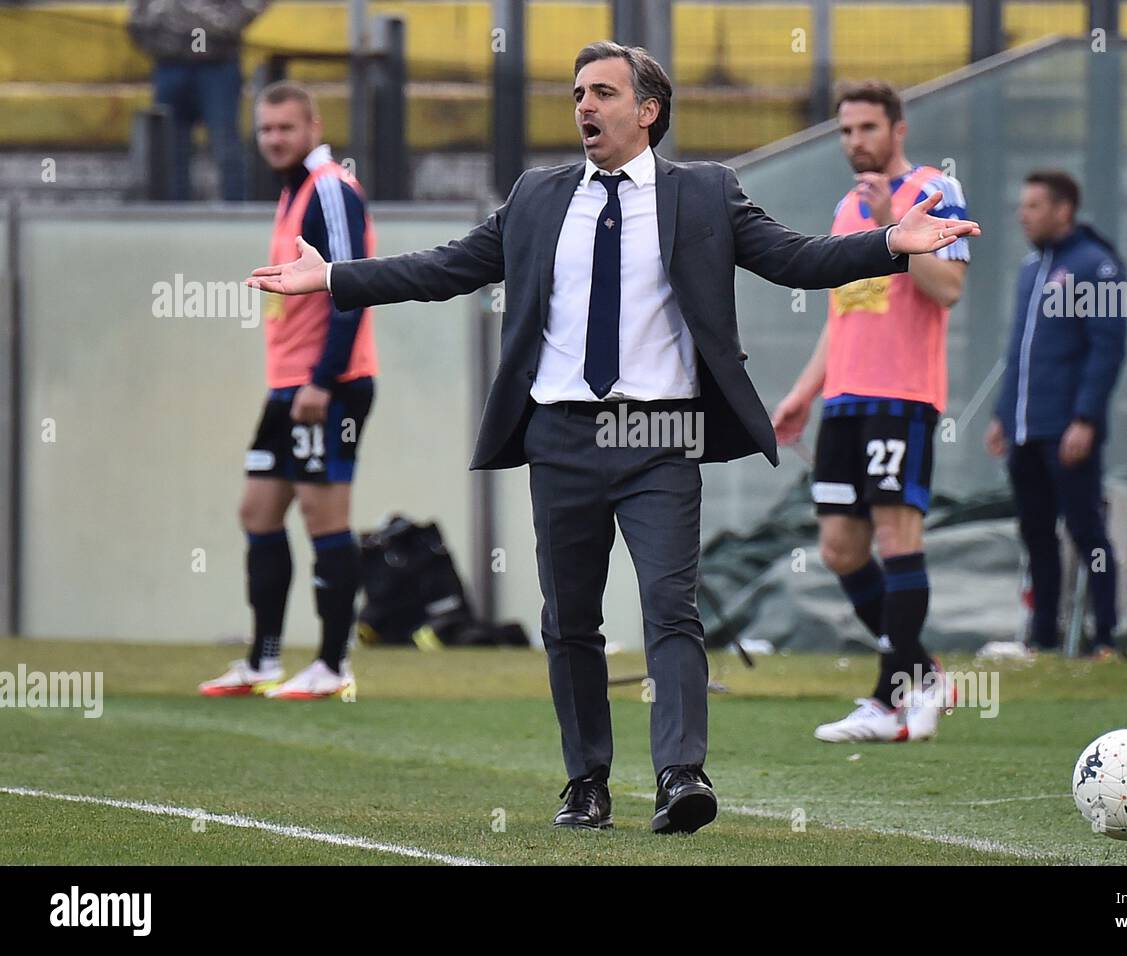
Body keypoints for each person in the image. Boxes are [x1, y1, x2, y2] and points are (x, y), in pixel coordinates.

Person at [247, 42, 979, 833]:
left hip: (661, 433)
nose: (584, 107)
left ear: (648, 110)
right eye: (576, 94)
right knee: (568, 621)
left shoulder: (703, 194)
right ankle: (586, 782)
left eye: (602, 92)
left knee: (671, 607)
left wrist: (889, 247)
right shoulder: (536, 196)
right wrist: (333, 279)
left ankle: (681, 776)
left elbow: (795, 258)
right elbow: (446, 267)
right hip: (560, 434)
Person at [771, 80, 971, 744]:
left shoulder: (933, 189)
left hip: (902, 397)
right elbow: (842, 311)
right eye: (846, 130)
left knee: (896, 539)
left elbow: (948, 291)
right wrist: (803, 392)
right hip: (845, 401)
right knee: (838, 548)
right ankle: (923, 674)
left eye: (866, 128)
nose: (855, 141)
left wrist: (903, 231)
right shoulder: (846, 205)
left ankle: (891, 698)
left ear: (898, 129)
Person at [201, 82, 379, 700]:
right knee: (257, 511)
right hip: (288, 388)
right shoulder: (292, 192)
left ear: (312, 126)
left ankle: (333, 666)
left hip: (327, 386)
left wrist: (322, 380)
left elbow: (350, 285)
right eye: (266, 129)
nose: (274, 138)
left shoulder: (329, 186)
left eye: (286, 127)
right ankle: (262, 660)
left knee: (324, 517)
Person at [984, 170, 1127, 659]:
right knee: (1035, 531)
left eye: (1033, 206)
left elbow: (1107, 349)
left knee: (1087, 530)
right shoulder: (1030, 269)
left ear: (1063, 209)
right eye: (1022, 206)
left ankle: (1105, 635)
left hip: (1066, 429)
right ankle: (1042, 637)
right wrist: (1004, 414)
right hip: (1026, 427)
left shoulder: (1097, 265)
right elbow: (1018, 352)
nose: (1023, 215)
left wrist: (1085, 418)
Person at [127, 0, 268, 200]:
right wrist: (155, 29)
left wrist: (217, 22)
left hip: (217, 66)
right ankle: (173, 216)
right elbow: (137, 18)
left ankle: (236, 213)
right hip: (170, 64)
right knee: (171, 148)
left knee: (225, 145)